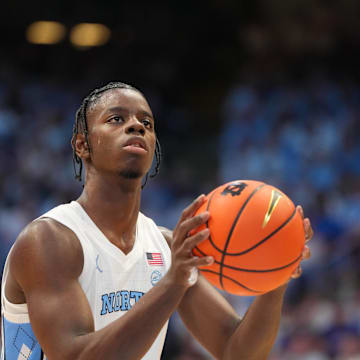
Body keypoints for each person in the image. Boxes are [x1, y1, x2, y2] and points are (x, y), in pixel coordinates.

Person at [1, 82, 313, 360]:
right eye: (116, 119)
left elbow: (237, 351)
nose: (136, 126)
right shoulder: (49, 240)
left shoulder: (165, 247)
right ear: (82, 145)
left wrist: (276, 273)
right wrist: (173, 283)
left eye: (146, 123)